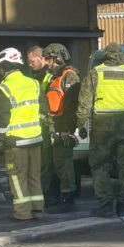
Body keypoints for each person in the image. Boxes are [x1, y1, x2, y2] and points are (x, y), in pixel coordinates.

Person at [76, 43, 124, 218]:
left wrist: (80, 125)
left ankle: (105, 204)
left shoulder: (95, 74)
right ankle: (123, 204)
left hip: (102, 128)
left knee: (100, 166)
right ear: (121, 56)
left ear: (105, 56)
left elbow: (84, 103)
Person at [0, 47, 45, 222]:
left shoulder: (5, 87)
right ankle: (38, 210)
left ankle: (22, 213)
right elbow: (44, 111)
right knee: (34, 175)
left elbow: (3, 118)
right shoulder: (34, 83)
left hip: (16, 142)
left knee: (17, 177)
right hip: (36, 138)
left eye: (0, 67)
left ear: (4, 67)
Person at [40, 43, 80, 213]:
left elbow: (71, 106)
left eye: (49, 59)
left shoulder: (69, 76)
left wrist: (67, 128)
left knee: (63, 163)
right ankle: (52, 195)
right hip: (51, 125)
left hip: (62, 125)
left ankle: (68, 197)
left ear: (57, 58)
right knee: (49, 163)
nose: (46, 63)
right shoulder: (51, 77)